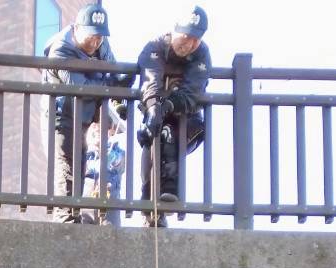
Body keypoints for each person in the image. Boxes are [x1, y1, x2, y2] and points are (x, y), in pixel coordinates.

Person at [42, 3, 129, 223]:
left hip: (85, 114)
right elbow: (80, 86)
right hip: (61, 115)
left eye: (100, 36)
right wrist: (106, 80)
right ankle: (66, 218)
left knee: (81, 165)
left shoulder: (102, 44)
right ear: (77, 28)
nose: (96, 41)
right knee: (67, 164)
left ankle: (77, 214)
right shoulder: (60, 50)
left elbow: (114, 73)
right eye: (91, 35)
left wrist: (119, 97)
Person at [136, 7, 211, 215]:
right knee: (152, 137)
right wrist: (153, 107)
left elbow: (193, 91)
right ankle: (150, 201)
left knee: (168, 132)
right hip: (157, 117)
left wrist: (168, 105)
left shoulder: (202, 54)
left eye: (196, 39)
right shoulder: (156, 46)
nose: (190, 45)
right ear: (175, 30)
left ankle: (170, 192)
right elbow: (150, 79)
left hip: (188, 121)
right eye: (186, 37)